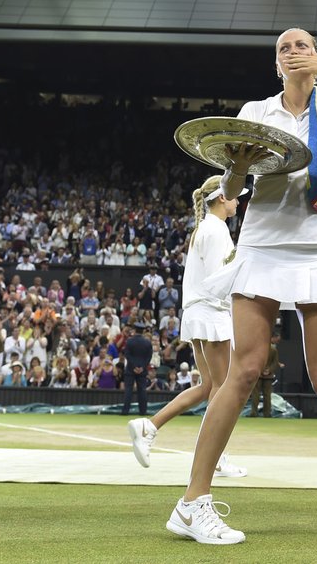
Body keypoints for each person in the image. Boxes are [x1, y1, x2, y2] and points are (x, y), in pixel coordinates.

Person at [166, 28, 317, 544]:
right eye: (284, 48)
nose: (293, 51)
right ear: (275, 65)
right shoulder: (255, 112)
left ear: (314, 55)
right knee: (242, 372)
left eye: (302, 45)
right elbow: (233, 189)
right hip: (260, 246)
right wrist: (235, 170)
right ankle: (192, 504)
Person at [127, 175, 248, 476]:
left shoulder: (205, 229)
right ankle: (214, 457)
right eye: (234, 195)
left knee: (209, 386)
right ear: (222, 198)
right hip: (211, 312)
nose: (238, 200)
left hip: (198, 313)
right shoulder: (216, 230)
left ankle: (150, 426)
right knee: (224, 390)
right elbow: (220, 280)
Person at [121, 325, 152, 416]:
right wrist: (142, 367)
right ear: (143, 331)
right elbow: (149, 356)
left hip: (131, 369)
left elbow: (127, 355)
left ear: (135, 331)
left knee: (128, 390)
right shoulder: (147, 342)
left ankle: (125, 411)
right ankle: (143, 411)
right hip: (142, 370)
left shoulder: (130, 341)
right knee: (142, 390)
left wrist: (134, 366)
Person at [250, 332, 282, 418]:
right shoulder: (274, 350)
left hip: (258, 375)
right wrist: (269, 370)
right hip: (269, 376)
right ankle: (267, 414)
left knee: (255, 394)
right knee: (267, 395)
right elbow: (275, 362)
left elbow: (255, 361)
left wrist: (260, 370)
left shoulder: (258, 348)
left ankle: (254, 413)